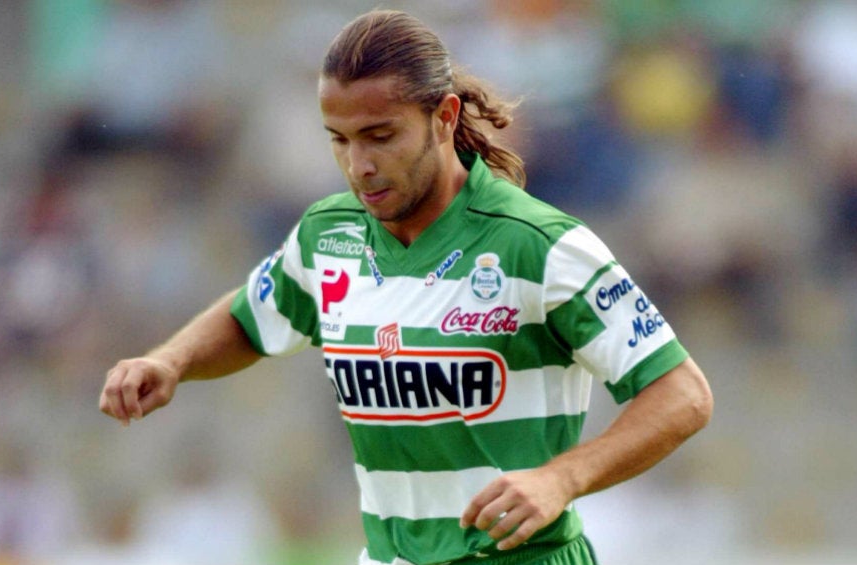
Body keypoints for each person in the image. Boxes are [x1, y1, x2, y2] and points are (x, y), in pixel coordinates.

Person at [99, 9, 713, 565]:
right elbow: (249, 319)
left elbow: (683, 395)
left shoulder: (541, 245)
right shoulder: (328, 235)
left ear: (444, 118)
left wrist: (561, 478)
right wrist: (171, 359)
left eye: (380, 136)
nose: (358, 164)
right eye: (339, 140)